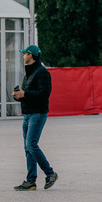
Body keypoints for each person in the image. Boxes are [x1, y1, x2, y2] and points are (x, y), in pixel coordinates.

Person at [12, 45, 59, 190]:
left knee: (31, 144)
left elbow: (44, 94)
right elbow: (29, 95)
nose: (23, 56)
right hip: (28, 114)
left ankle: (50, 173)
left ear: (30, 55)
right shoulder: (29, 73)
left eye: (25, 54)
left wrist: (24, 94)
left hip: (37, 114)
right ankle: (31, 181)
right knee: (28, 148)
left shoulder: (42, 72)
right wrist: (18, 96)